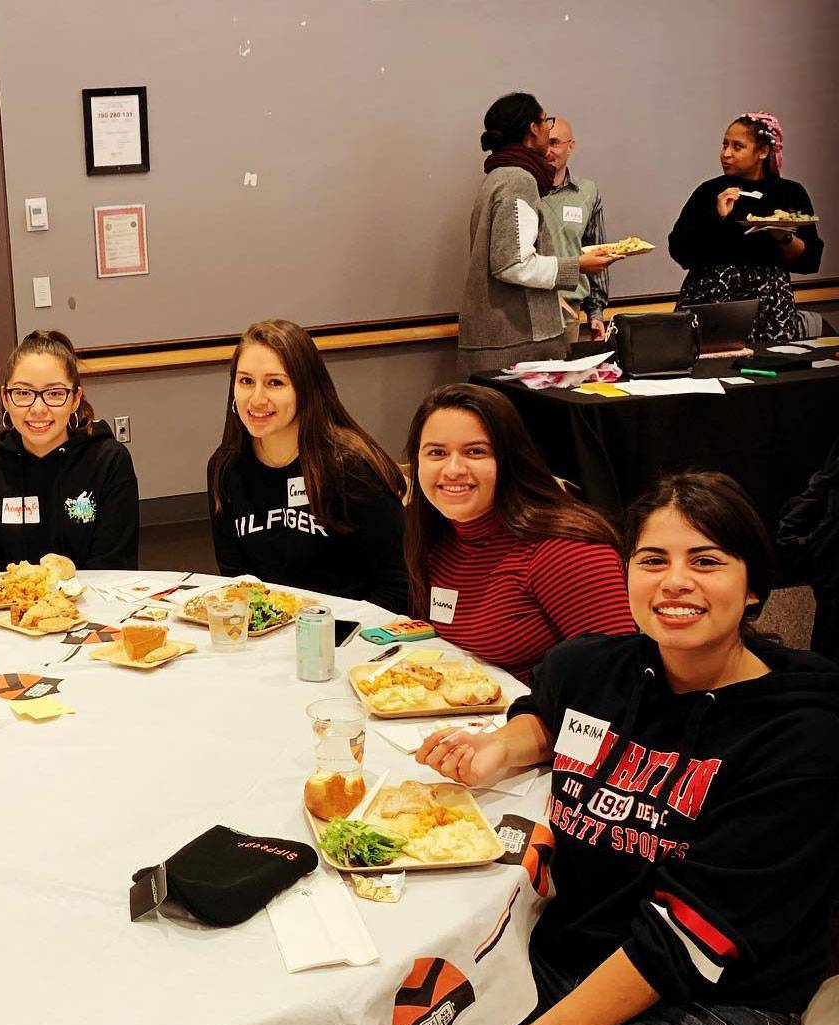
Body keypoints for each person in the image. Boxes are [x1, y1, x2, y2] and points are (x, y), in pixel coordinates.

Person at [338, 471, 839, 1025]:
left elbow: (681, 945)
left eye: (705, 561)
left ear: (753, 587)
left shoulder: (801, 733)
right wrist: (505, 746)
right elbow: (552, 712)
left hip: (702, 1010)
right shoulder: (595, 665)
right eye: (652, 559)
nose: (675, 582)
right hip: (565, 960)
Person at [404, 382, 633, 681]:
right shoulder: (437, 536)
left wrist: (531, 723)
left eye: (475, 452)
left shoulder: (565, 551)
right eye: (437, 453)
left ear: (509, 459)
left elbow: (618, 678)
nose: (453, 470)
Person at [207, 319, 408, 609]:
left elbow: (398, 585)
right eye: (246, 381)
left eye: (275, 382)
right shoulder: (224, 467)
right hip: (269, 639)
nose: (257, 398)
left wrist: (330, 640)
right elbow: (237, 582)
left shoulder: (350, 467)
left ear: (306, 388)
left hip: (351, 638)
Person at [459, 92, 617, 375]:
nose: (548, 129)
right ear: (533, 129)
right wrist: (578, 266)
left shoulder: (499, 175)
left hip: (503, 341)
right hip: (515, 345)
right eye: (546, 121)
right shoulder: (518, 180)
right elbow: (513, 263)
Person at [0, 330, 138, 572]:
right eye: (23, 393)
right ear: (5, 397)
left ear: (75, 399)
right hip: (10, 607)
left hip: (92, 605)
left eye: (54, 393)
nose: (38, 408)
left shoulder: (108, 462)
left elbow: (113, 568)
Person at [669, 111, 824, 344]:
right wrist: (719, 220)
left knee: (770, 367)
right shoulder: (709, 191)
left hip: (769, 303)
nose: (726, 154)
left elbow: (809, 260)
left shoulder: (789, 192)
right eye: (724, 145)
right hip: (710, 300)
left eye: (737, 147)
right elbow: (680, 251)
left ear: (762, 152)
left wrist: (783, 237)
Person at [540, 117, 611, 342]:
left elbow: (595, 251)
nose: (548, 151)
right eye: (544, 144)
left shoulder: (587, 192)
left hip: (570, 310)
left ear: (571, 146)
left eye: (555, 143)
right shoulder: (524, 189)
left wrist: (596, 312)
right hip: (531, 308)